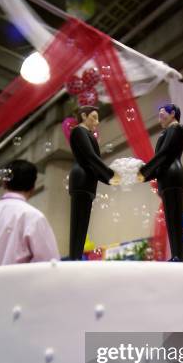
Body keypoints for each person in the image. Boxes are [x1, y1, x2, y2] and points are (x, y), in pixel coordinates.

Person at [0, 159, 59, 269]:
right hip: (13, 285)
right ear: (33, 188)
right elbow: (50, 264)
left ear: (4, 183)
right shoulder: (33, 217)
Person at [68, 106, 120, 260]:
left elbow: (95, 165)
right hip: (81, 179)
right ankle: (74, 258)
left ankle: (76, 257)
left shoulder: (88, 134)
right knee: (78, 222)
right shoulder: (79, 131)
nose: (97, 122)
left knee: (83, 223)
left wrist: (110, 180)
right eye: (94, 117)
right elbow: (90, 157)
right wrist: (110, 174)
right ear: (84, 115)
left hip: (89, 181)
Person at [137, 104, 183, 261]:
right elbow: (161, 160)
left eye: (162, 114)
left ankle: (178, 255)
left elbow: (165, 154)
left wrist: (144, 172)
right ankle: (176, 255)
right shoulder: (167, 132)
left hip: (172, 176)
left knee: (175, 219)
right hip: (166, 177)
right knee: (171, 219)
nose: (159, 118)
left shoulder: (175, 129)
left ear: (173, 114)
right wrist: (146, 175)